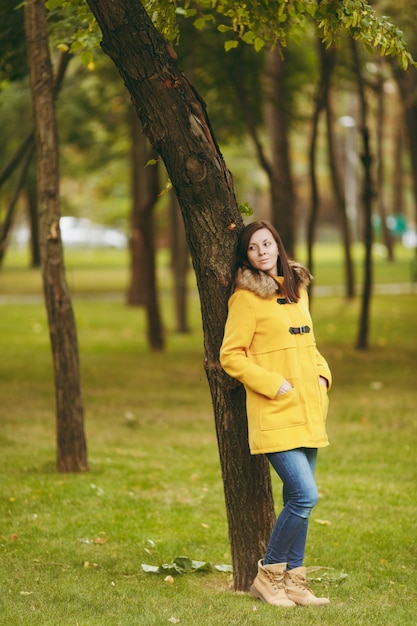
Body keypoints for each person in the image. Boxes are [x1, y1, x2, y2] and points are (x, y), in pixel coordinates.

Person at [220, 220, 331, 608]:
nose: (262, 251)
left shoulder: (297, 291)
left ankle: (296, 582)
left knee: (296, 498)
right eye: (253, 247)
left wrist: (323, 378)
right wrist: (271, 383)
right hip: (274, 410)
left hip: (309, 409)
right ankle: (268, 577)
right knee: (304, 495)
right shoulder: (245, 298)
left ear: (277, 246)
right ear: (246, 256)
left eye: (267, 243)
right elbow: (230, 355)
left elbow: (310, 345)